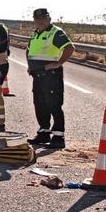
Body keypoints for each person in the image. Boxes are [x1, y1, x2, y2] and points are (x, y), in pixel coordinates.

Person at [26, 8, 75, 149]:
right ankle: (44, 133)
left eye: (43, 18)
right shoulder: (36, 33)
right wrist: (30, 66)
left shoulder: (55, 32)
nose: (40, 21)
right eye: (37, 19)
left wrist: (58, 63)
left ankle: (58, 137)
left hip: (51, 76)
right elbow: (29, 49)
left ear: (48, 18)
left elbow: (70, 48)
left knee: (54, 104)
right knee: (40, 104)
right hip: (38, 75)